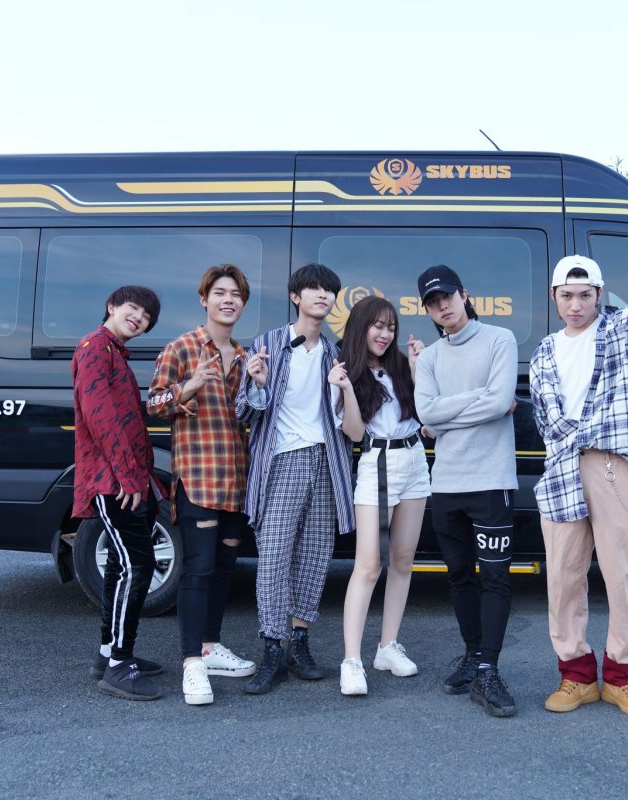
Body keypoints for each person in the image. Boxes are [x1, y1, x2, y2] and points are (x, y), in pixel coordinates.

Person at [529, 224, 628, 717]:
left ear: (599, 295)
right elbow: (546, 418)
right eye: (567, 295)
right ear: (555, 297)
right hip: (561, 469)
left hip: (615, 465)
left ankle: (621, 678)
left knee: (623, 575)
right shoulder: (544, 351)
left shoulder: (620, 333)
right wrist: (574, 439)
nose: (576, 304)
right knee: (563, 578)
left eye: (585, 294)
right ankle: (576, 676)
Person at [235, 263, 356, 694]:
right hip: (283, 460)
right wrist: (257, 384)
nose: (323, 296)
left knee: (315, 554)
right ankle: (272, 646)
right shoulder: (268, 344)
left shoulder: (335, 352)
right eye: (314, 289)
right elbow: (243, 412)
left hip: (326, 460)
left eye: (329, 290)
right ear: (296, 296)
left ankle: (298, 642)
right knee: (273, 556)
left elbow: (344, 418)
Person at [146, 264, 258, 706]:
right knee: (198, 569)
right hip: (198, 476)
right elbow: (154, 403)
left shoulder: (247, 357)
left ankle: (210, 647)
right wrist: (189, 386)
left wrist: (260, 385)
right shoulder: (183, 348)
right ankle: (192, 663)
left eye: (236, 295)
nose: (229, 300)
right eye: (221, 293)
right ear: (204, 299)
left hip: (236, 478)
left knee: (225, 568)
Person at [413, 265, 519, 718]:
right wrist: (478, 400)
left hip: (491, 481)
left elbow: (499, 401)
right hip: (447, 483)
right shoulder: (430, 358)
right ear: (428, 311)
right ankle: (474, 656)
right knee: (459, 576)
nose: (443, 307)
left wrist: (445, 416)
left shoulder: (500, 340)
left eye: (448, 298)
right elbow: (426, 414)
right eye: (434, 303)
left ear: (465, 295)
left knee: (495, 577)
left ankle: (489, 670)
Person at [329, 296, 430, 696]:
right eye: (378, 326)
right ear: (361, 327)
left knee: (403, 561)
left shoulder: (402, 366)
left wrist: (418, 370)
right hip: (378, 465)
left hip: (415, 462)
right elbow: (355, 433)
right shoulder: (345, 372)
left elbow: (423, 416)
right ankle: (351, 660)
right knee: (369, 566)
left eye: (391, 327)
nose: (385, 334)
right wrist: (347, 390)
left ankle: (388, 647)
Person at [71, 285, 166, 701]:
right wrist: (128, 477)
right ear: (111, 306)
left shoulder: (113, 353)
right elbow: (100, 417)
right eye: (133, 308)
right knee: (137, 566)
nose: (138, 318)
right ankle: (119, 666)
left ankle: (109, 653)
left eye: (146, 316)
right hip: (113, 481)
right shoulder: (95, 348)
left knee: (119, 565)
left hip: (125, 478)